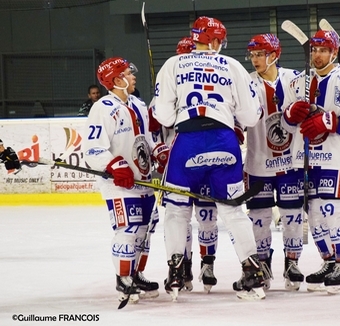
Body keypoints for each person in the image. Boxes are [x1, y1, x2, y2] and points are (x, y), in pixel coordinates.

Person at [152, 16, 265, 301]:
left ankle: (177, 270)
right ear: (214, 41)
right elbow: (251, 116)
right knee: (233, 211)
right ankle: (252, 272)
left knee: (177, 210)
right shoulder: (232, 65)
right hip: (224, 142)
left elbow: (162, 116)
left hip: (186, 142)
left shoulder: (173, 64)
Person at [281, 29, 340, 294]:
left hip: (335, 158)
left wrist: (331, 120)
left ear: (334, 52)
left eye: (322, 50)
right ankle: (329, 261)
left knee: (332, 210)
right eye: (314, 50)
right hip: (303, 157)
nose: (316, 55)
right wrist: (289, 114)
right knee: (314, 214)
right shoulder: (298, 82)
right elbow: (285, 123)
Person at [83, 57, 168, 304]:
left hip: (144, 182)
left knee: (145, 231)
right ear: (117, 79)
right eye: (129, 74)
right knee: (128, 229)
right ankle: (123, 278)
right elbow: (93, 148)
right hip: (119, 186)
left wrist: (158, 151)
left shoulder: (138, 104)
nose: (133, 77)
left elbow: (147, 138)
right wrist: (113, 164)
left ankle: (137, 274)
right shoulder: (102, 107)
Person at [148, 35, 220, 294]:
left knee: (207, 217)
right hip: (177, 165)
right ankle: (181, 267)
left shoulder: (212, 87)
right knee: (177, 217)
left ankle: (208, 264)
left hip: (205, 161)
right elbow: (153, 131)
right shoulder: (166, 87)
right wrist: (159, 148)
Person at [238, 33, 304, 291]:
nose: (254, 59)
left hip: (291, 163)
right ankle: (262, 264)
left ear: (274, 55)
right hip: (258, 163)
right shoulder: (245, 82)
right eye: (252, 55)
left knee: (292, 216)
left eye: (260, 54)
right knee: (259, 217)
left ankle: (292, 262)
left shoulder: (295, 79)